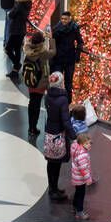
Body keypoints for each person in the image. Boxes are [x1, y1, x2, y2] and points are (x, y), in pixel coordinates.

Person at [21, 26, 56, 140]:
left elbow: (34, 44)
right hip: (40, 83)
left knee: (32, 104)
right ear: (41, 42)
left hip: (30, 82)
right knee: (36, 106)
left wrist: (42, 38)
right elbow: (53, 52)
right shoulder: (43, 53)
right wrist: (51, 39)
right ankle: (33, 129)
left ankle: (31, 127)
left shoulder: (28, 50)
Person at [44, 71, 73, 200]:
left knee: (51, 162)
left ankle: (53, 187)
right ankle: (53, 191)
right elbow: (66, 121)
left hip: (50, 130)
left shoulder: (47, 96)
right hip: (59, 133)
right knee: (57, 162)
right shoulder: (62, 99)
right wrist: (74, 135)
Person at [51, 9, 84, 101]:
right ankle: (57, 102)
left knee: (68, 84)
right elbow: (53, 41)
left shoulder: (74, 28)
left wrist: (77, 55)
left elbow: (80, 42)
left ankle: (68, 103)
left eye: (65, 19)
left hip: (69, 59)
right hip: (58, 59)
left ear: (70, 19)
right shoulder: (57, 28)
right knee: (57, 82)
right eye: (62, 19)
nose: (63, 21)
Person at [5, 0, 32, 73]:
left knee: (8, 49)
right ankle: (15, 70)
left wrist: (9, 13)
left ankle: (17, 64)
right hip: (22, 29)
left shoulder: (20, 3)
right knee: (17, 49)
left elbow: (12, 14)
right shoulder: (27, 2)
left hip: (16, 29)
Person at [69, 130, 94, 221]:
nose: (89, 145)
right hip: (81, 179)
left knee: (77, 192)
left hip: (76, 177)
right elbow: (83, 169)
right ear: (82, 144)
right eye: (87, 144)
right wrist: (89, 179)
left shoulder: (77, 149)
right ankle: (80, 211)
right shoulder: (82, 154)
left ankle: (74, 207)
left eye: (89, 143)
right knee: (81, 195)